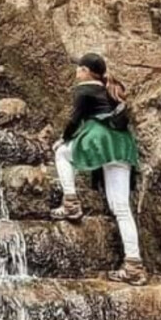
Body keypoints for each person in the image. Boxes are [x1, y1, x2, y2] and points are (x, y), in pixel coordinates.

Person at [49, 52, 147, 285]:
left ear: (85, 71)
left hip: (101, 141)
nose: (76, 72)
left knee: (62, 153)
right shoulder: (109, 88)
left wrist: (63, 139)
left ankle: (71, 202)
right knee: (121, 208)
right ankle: (134, 265)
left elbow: (74, 120)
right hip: (122, 146)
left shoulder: (84, 89)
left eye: (78, 68)